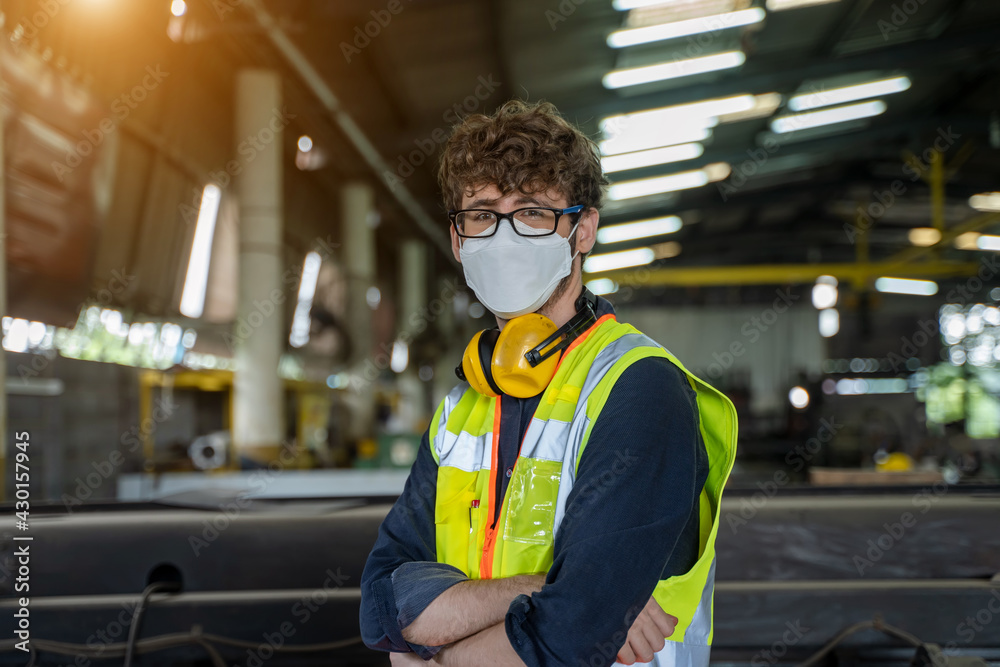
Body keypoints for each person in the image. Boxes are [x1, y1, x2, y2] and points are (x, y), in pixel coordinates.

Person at [359, 99, 738, 667]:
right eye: (483, 214)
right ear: (459, 240)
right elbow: (383, 606)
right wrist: (540, 589)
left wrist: (438, 659)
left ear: (582, 230)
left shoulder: (639, 390)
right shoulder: (466, 402)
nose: (504, 237)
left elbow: (573, 636)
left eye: (534, 213)